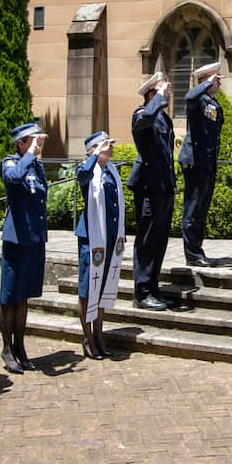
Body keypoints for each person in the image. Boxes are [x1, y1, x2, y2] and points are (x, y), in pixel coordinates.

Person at [0, 122, 48, 374]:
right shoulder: (11, 161)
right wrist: (31, 153)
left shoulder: (36, 165)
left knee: (24, 296)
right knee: (10, 296)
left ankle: (20, 347)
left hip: (34, 238)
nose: (39, 144)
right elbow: (14, 177)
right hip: (16, 238)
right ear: (21, 143)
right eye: (33, 140)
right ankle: (7, 348)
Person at [127, 72, 179, 311]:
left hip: (163, 186)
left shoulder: (163, 119)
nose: (168, 91)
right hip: (148, 188)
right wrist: (159, 95)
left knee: (159, 240)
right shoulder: (142, 114)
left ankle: (153, 286)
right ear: (151, 94)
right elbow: (144, 119)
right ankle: (142, 291)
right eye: (161, 89)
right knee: (147, 240)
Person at [75, 132, 125, 360]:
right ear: (94, 149)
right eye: (106, 145)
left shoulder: (110, 171)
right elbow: (82, 176)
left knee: (102, 287)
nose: (111, 148)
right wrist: (94, 154)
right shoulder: (88, 170)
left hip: (110, 235)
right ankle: (88, 338)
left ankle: (99, 335)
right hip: (92, 237)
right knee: (88, 289)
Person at [178, 62, 224, 266]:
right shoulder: (197, 100)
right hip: (195, 161)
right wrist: (206, 84)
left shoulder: (212, 102)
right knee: (193, 208)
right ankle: (193, 254)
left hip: (208, 161)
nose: (220, 83)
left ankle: (197, 249)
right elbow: (189, 97)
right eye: (217, 79)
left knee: (202, 209)